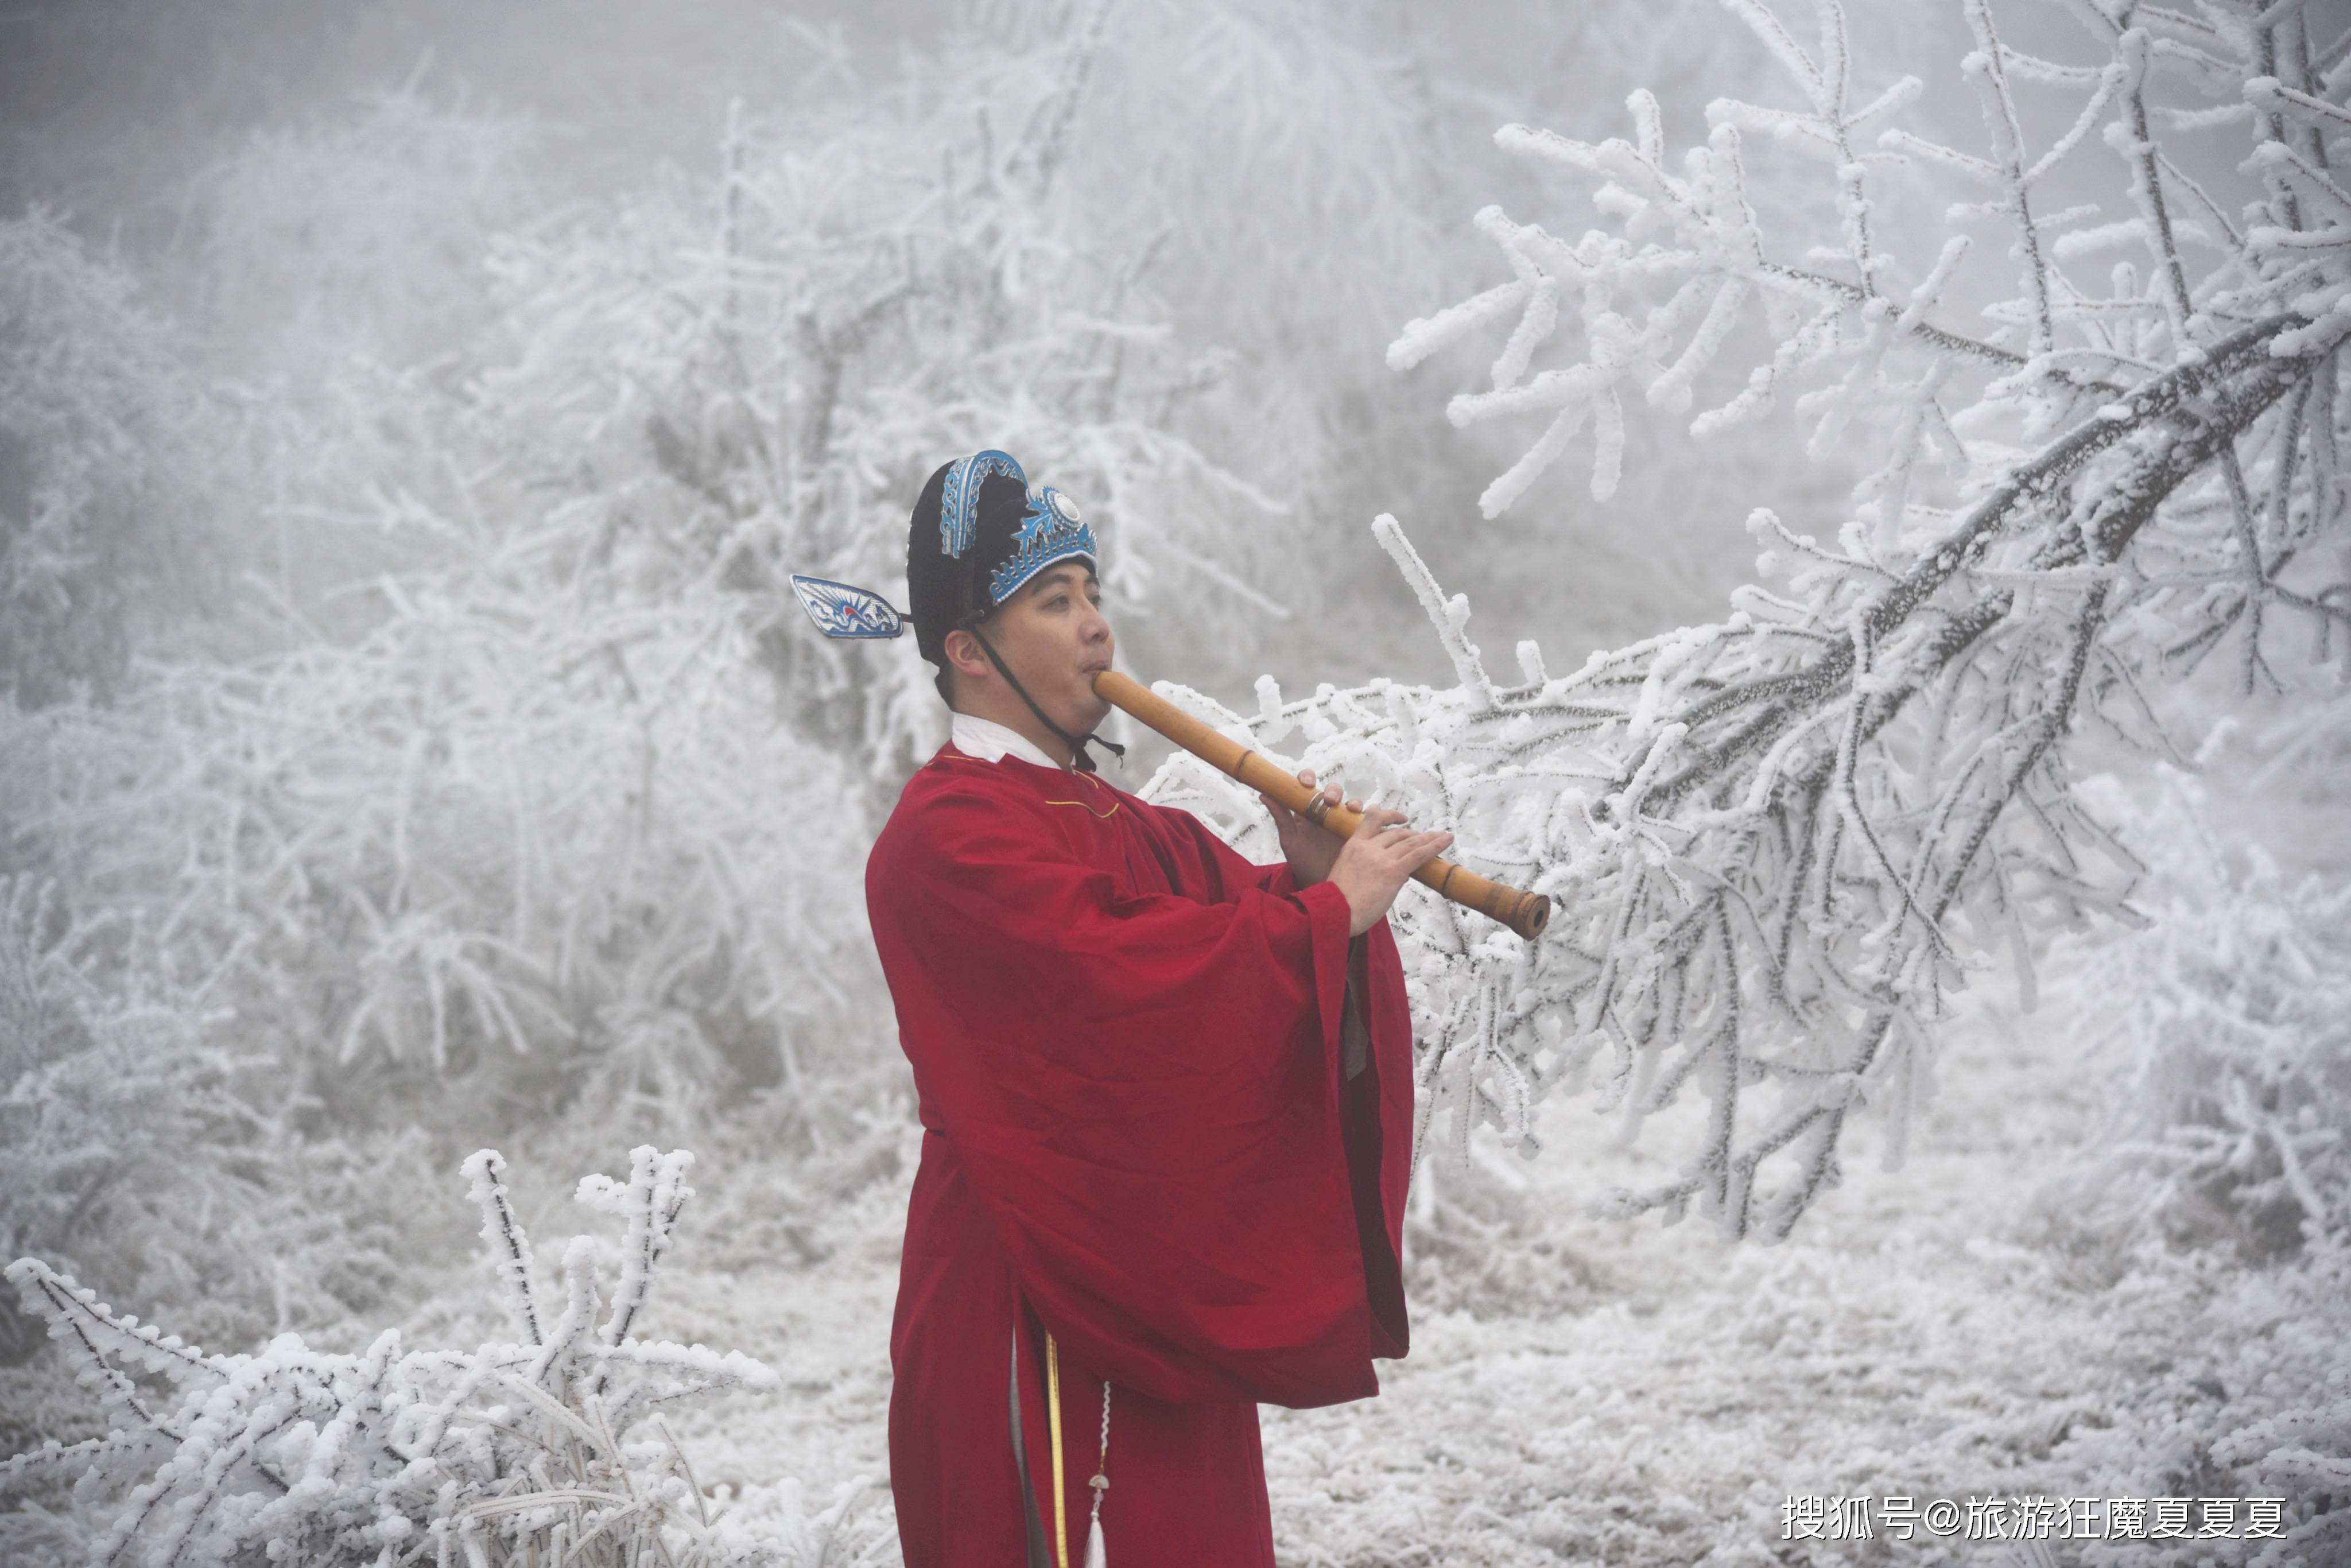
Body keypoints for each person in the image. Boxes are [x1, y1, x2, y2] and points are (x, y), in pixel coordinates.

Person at [864, 451, 1446, 1568]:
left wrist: (1318, 895)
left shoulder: (1131, 825)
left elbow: (1241, 950)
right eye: (1053, 599)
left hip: (1158, 1292)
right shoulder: (943, 838)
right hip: (1022, 1291)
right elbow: (1119, 986)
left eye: (1092, 594)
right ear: (967, 650)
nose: (1094, 627)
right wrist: (1321, 920)